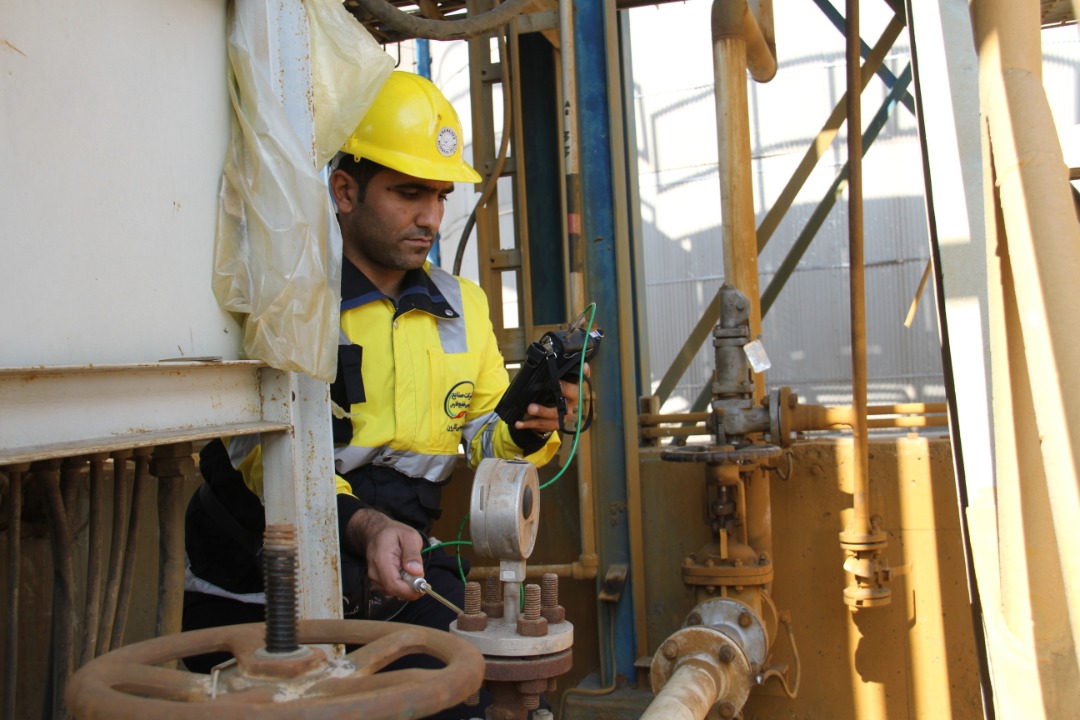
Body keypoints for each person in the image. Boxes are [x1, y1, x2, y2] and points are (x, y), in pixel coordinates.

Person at [182, 71, 583, 718]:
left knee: (462, 694)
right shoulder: (289, 298)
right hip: (260, 583)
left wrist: (528, 427)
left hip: (398, 567)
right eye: (408, 193)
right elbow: (260, 454)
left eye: (440, 196)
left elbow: (484, 437)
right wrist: (364, 526)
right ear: (344, 190)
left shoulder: (462, 304)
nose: (431, 218)